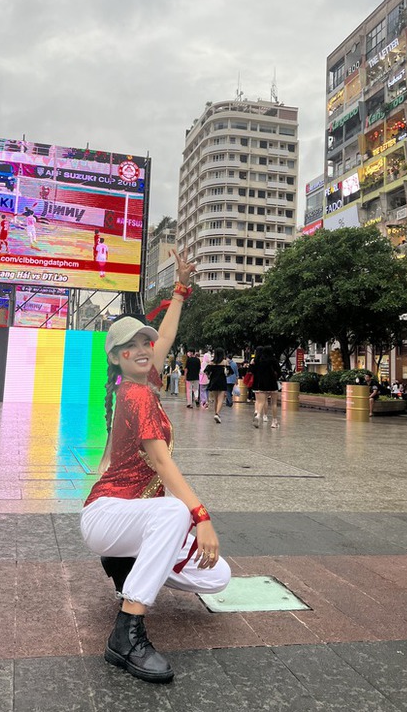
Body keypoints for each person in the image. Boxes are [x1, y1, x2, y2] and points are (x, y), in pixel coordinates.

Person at [80, 252, 230, 684]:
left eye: (145, 344)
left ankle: (127, 566)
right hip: (109, 515)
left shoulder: (141, 381)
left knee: (217, 576)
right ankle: (127, 633)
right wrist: (201, 516)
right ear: (117, 358)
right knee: (175, 511)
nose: (144, 350)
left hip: (127, 518)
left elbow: (163, 338)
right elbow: (163, 463)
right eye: (131, 347)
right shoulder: (136, 394)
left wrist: (180, 292)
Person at [251, 346, 280, 428]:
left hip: (262, 384)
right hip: (272, 383)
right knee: (274, 403)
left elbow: (253, 371)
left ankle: (258, 415)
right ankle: (274, 422)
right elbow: (278, 371)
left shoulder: (259, 361)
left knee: (261, 402)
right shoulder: (274, 360)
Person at [205, 348, 228, 423]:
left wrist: (209, 376)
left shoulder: (212, 363)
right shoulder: (225, 362)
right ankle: (217, 414)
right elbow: (230, 372)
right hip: (222, 381)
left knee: (216, 399)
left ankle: (216, 413)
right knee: (221, 399)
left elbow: (206, 371)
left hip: (214, 382)